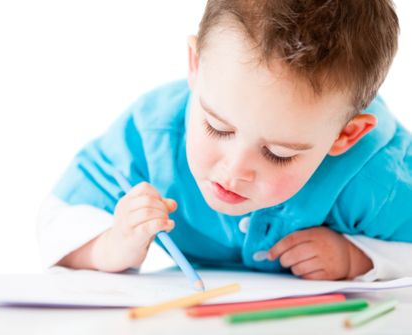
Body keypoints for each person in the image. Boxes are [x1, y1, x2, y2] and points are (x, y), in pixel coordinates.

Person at [38, 0, 412, 281]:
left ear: (346, 136)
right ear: (195, 65)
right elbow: (59, 217)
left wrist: (357, 257)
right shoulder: (149, 137)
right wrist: (112, 244)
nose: (234, 170)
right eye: (218, 128)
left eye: (278, 154)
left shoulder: (377, 174)